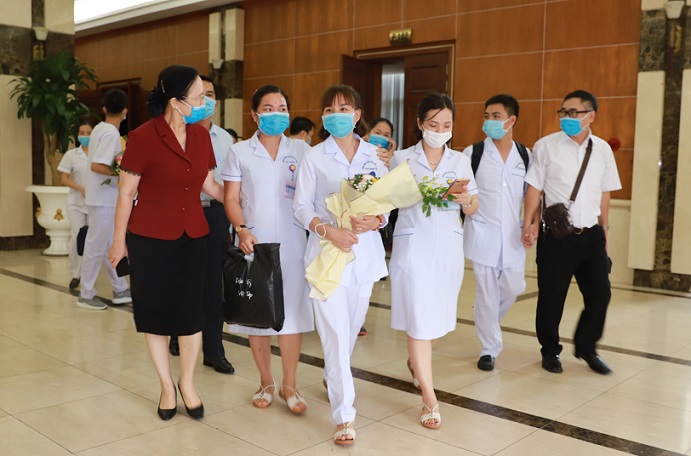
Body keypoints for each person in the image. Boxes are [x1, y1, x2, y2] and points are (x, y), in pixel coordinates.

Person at [108, 65, 224, 421]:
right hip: (149, 239)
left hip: (193, 236)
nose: (205, 103)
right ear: (175, 101)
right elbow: (126, 194)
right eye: (199, 97)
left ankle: (187, 384)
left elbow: (210, 186)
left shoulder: (202, 137)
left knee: (191, 315)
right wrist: (118, 242)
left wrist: (241, 202)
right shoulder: (143, 137)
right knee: (155, 315)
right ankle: (166, 387)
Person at [293, 84, 389, 445]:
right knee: (334, 336)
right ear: (323, 117)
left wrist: (377, 219)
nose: (337, 114)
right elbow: (301, 206)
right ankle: (344, 416)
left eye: (344, 108)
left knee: (350, 331)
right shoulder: (314, 156)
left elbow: (387, 200)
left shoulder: (374, 154)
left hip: (364, 256)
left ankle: (333, 375)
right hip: (327, 255)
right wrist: (328, 230)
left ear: (357, 114)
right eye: (330, 109)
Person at [222, 84, 313, 415]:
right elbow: (231, 198)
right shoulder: (240, 151)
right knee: (256, 315)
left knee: (292, 315)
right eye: (269, 108)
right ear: (255, 114)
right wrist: (241, 229)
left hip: (293, 242)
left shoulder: (302, 150)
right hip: (254, 243)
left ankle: (290, 383)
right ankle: (265, 381)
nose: (277, 114)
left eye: (282, 108)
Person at [389, 93, 478, 430]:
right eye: (433, 124)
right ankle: (429, 396)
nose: (440, 131)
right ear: (419, 124)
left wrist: (466, 199)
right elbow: (387, 201)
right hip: (412, 248)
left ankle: (416, 362)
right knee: (419, 319)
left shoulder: (461, 160)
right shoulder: (401, 159)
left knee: (438, 319)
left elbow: (474, 207)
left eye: (446, 125)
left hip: (447, 249)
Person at [522, 90, 621, 375]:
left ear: (591, 116)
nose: (566, 117)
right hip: (557, 237)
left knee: (600, 293)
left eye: (573, 112)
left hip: (591, 236)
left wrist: (604, 231)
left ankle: (587, 347)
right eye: (563, 111)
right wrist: (528, 223)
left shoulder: (602, 150)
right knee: (552, 297)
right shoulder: (546, 146)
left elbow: (605, 194)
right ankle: (550, 351)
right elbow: (534, 188)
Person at [167, 75, 235, 376]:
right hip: (182, 213)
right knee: (181, 279)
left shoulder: (226, 139)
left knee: (213, 285)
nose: (205, 99)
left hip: (215, 215)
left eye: (210, 94)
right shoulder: (175, 133)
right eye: (199, 94)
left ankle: (214, 350)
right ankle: (176, 332)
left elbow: (229, 183)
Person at [462, 94, 531, 371]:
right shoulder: (473, 153)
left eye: (496, 116)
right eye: (487, 116)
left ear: (511, 120)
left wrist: (531, 223)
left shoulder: (525, 155)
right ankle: (489, 349)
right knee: (488, 294)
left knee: (514, 287)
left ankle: (484, 315)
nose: (489, 121)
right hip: (482, 234)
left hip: (513, 236)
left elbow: (532, 195)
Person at [78, 89, 132, 310]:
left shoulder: (101, 128)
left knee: (110, 243)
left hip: (102, 197)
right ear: (125, 111)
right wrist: (122, 172)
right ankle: (86, 294)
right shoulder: (110, 133)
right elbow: (97, 165)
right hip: (103, 198)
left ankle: (120, 288)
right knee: (96, 246)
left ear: (104, 108)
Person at [58, 120, 93, 290]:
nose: (85, 136)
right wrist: (80, 188)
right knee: (76, 237)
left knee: (91, 239)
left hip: (94, 203)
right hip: (76, 203)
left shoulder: (100, 155)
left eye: (88, 133)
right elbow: (64, 178)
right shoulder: (71, 155)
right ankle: (76, 274)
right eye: (82, 133)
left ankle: (88, 274)